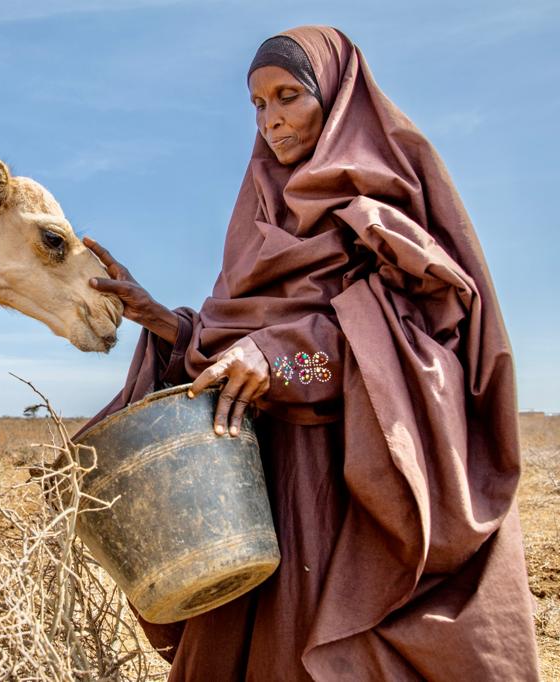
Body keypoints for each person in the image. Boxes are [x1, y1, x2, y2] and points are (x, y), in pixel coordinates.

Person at [82, 25, 540, 681]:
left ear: (335, 94)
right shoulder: (259, 214)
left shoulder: (385, 195)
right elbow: (238, 330)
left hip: (353, 486)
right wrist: (171, 327)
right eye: (259, 104)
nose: (271, 120)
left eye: (288, 95)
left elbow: (425, 335)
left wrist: (282, 357)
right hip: (264, 490)